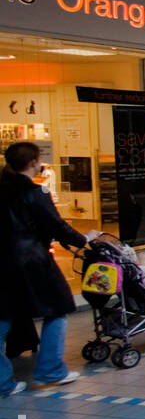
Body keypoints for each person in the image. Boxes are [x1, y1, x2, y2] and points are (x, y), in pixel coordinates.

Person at [0, 142, 99, 397]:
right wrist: (84, 239)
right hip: (33, 263)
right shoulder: (36, 194)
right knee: (58, 309)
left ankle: (3, 381)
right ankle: (51, 370)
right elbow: (56, 225)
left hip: (4, 264)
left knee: (3, 317)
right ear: (34, 162)